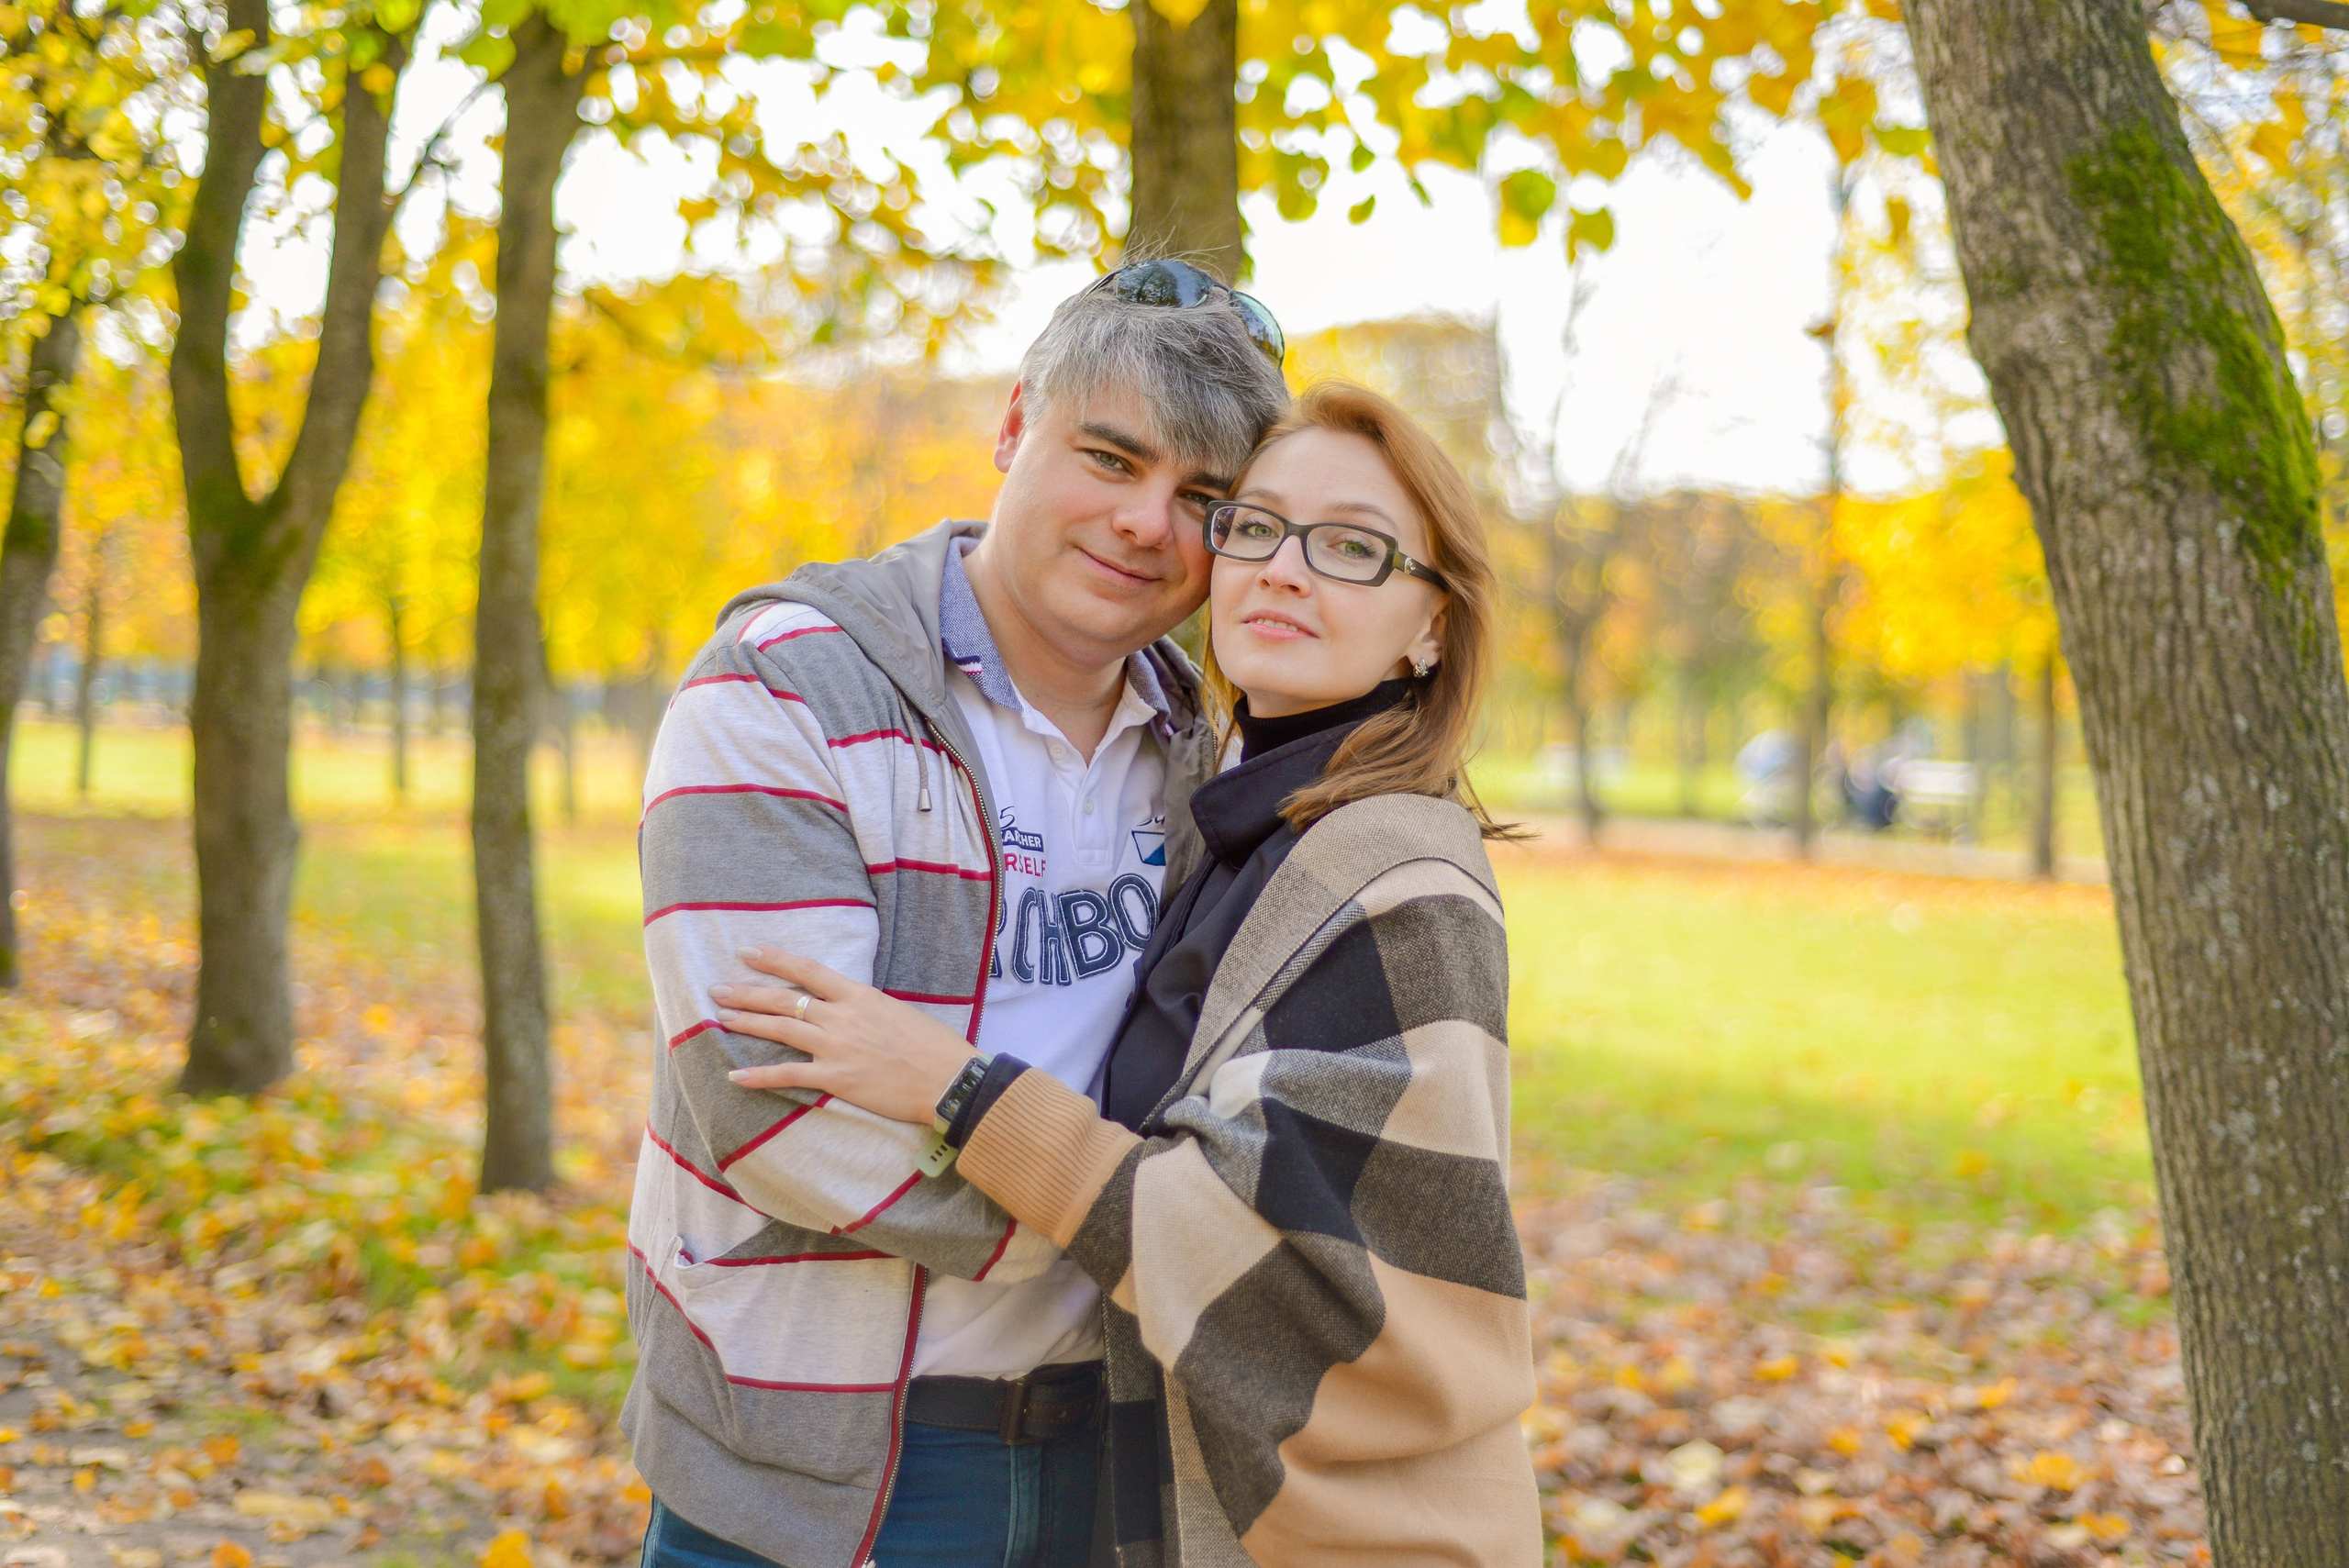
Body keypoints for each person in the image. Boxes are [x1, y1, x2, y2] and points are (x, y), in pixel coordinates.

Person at [718, 384, 1545, 1566]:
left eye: (1353, 548)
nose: (1283, 570)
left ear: (1433, 628)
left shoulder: (1395, 880)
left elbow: (1304, 1291)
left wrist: (961, 1090)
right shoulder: (1239, 827)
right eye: (1252, 525)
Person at [624, 259, 1289, 1568]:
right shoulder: (784, 691)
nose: (1150, 523)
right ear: (1010, 427)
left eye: (1205, 500)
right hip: (806, 1472)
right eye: (1111, 456)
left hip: (1105, 1460)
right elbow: (776, 1113)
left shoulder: (1208, 762)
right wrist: (1141, 1229)